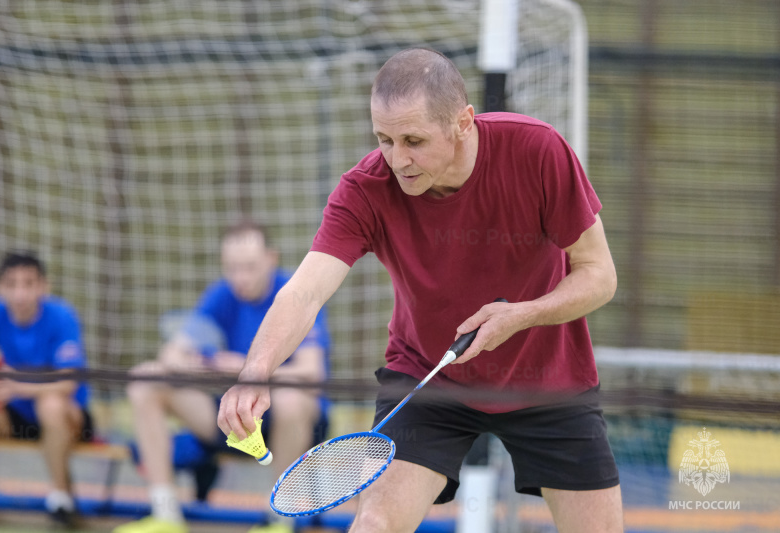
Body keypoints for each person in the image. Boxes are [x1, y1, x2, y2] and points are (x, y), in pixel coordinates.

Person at [218, 48, 622, 533]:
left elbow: (599, 275)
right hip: (429, 378)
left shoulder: (538, 152)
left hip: (548, 379)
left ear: (463, 122)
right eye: (384, 140)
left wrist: (521, 315)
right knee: (374, 525)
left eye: (413, 140)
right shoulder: (365, 190)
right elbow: (304, 292)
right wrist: (256, 369)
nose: (397, 159)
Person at [113, 219, 330, 533]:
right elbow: (171, 356)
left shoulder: (297, 293)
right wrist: (210, 363)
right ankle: (165, 514)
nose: (240, 278)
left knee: (292, 397)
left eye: (250, 267)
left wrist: (247, 367)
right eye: (232, 268)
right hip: (233, 418)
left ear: (272, 258)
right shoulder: (222, 295)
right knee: (146, 378)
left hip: (291, 422)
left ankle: (280, 520)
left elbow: (313, 372)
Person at [0, 251, 93, 525]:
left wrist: (17, 386)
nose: (20, 293)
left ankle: (61, 499)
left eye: (28, 283)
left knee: (52, 404)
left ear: (44, 286)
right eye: (12, 284)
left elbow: (68, 381)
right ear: (0, 287)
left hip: (68, 420)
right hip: (11, 419)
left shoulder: (62, 316)